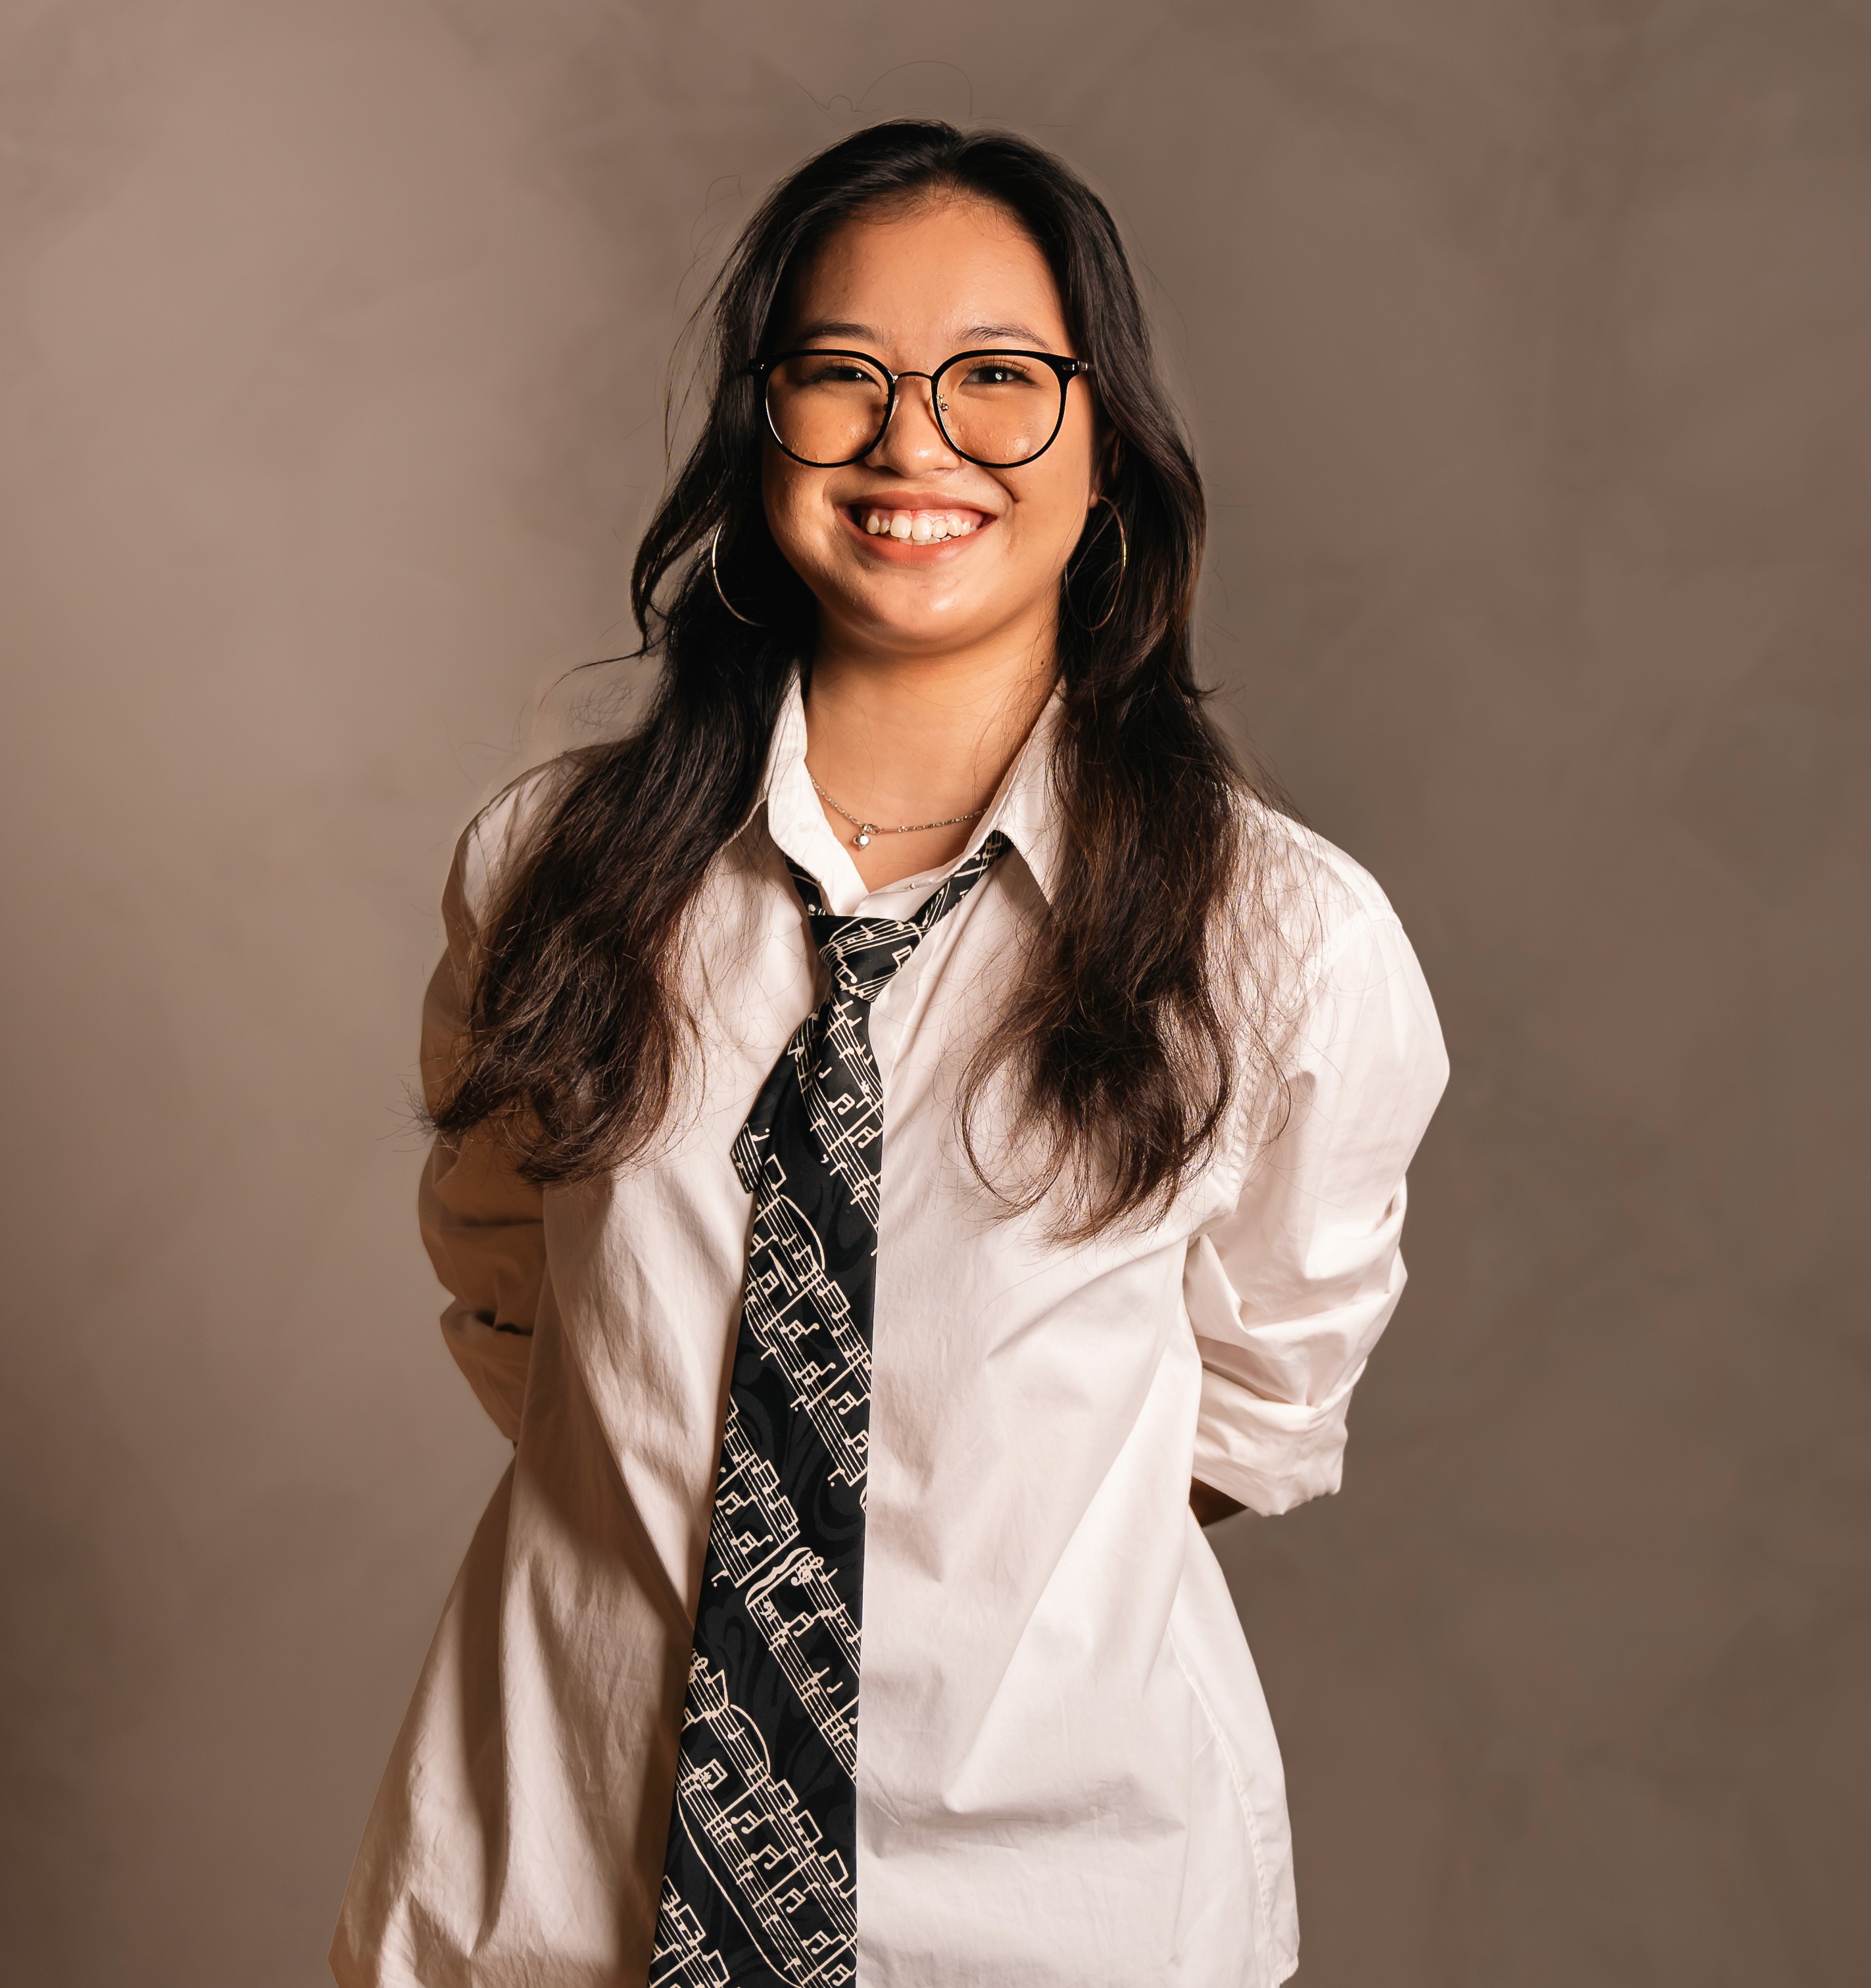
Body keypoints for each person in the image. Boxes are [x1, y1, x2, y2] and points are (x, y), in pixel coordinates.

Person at [331, 120, 1448, 1988]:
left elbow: (1249, 1402)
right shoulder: (550, 872)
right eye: (838, 375)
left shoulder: (1281, 943)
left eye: (998, 379)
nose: (913, 438)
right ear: (757, 435)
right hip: (547, 1893)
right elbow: (515, 1293)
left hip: (1071, 1921)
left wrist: (948, 1565)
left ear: (1111, 451)